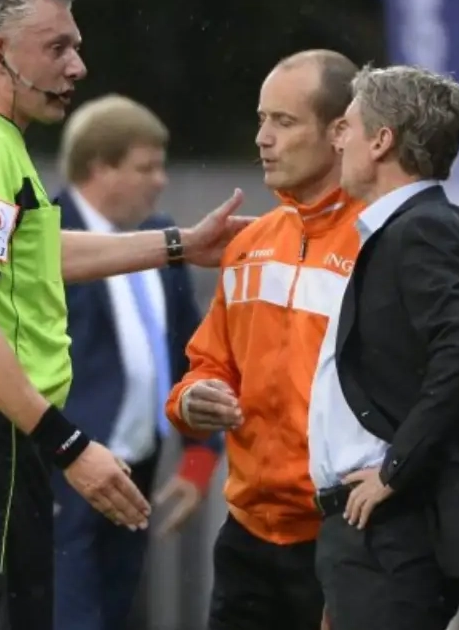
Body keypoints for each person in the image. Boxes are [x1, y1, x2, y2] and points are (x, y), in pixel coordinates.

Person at [0, 2, 247, 629]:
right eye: (57, 48)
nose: (78, 66)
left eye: (75, 46)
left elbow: (36, 255)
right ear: (0, 54)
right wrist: (71, 446)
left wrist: (179, 245)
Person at [308, 64, 459, 630]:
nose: (337, 140)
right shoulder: (440, 226)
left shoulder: (421, 230)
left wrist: (396, 470)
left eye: (348, 126)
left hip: (389, 532)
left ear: (382, 141)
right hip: (378, 533)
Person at [165, 49, 364, 630]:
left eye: (284, 121)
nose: (262, 139)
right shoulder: (250, 242)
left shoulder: (382, 241)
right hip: (247, 539)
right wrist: (193, 399)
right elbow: (207, 364)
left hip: (343, 538)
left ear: (340, 133)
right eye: (261, 119)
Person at [52, 94, 223, 630]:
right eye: (146, 167)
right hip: (65, 467)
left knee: (115, 609)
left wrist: (200, 452)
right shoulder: (45, 234)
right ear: (100, 168)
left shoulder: (164, 236)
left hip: (136, 466)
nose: (160, 181)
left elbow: (191, 350)